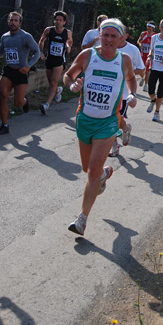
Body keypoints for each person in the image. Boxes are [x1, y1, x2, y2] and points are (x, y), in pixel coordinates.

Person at [63, 18, 137, 236]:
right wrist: (72, 84)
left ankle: (82, 219)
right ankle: (104, 174)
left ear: (121, 39)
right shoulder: (88, 55)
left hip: (107, 122)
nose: (109, 39)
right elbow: (68, 75)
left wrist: (132, 94)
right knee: (88, 169)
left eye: (114, 36)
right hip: (85, 119)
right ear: (99, 35)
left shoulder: (123, 60)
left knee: (93, 170)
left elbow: (131, 79)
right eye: (105, 35)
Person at [0, 11, 41, 134]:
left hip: (21, 72)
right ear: (8, 21)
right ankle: (5, 125)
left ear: (20, 23)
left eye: (16, 20)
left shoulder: (25, 36)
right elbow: (0, 52)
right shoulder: (5, 37)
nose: (13, 23)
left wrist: (29, 66)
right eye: (11, 20)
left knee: (18, 103)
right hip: (8, 71)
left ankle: (24, 101)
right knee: (3, 96)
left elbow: (37, 51)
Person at [109, 25, 145, 157]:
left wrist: (126, 73)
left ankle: (124, 128)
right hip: (108, 92)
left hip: (123, 93)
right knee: (111, 120)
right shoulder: (108, 47)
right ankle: (114, 145)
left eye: (120, 33)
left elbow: (141, 69)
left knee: (116, 119)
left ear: (125, 35)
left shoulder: (132, 50)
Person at [38, 11, 73, 114]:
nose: (58, 22)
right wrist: (41, 52)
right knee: (51, 83)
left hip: (59, 61)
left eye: (60, 20)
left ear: (64, 22)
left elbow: (70, 42)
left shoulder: (67, 32)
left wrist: (68, 46)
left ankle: (46, 105)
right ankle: (58, 90)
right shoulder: (49, 30)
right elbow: (41, 41)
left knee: (53, 82)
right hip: (49, 59)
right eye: (56, 20)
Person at [137, 21, 155, 92]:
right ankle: (143, 77)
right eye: (148, 26)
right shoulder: (143, 33)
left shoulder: (155, 36)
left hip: (149, 56)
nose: (149, 28)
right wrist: (140, 44)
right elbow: (138, 41)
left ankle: (146, 85)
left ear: (153, 28)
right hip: (142, 55)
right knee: (140, 69)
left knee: (147, 71)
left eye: (150, 27)